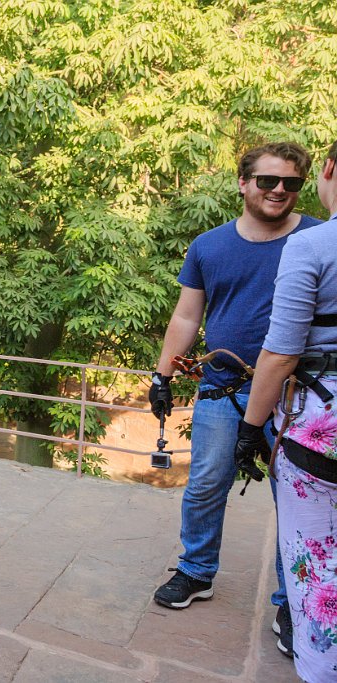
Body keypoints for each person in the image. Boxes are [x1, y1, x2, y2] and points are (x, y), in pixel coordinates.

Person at [148, 143, 319, 649]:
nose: (280, 191)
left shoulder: (318, 240)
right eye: (268, 181)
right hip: (225, 387)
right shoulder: (209, 245)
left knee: (299, 500)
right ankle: (197, 571)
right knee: (204, 484)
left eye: (291, 183)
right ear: (243, 184)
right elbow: (186, 316)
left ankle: (293, 602)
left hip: (299, 395)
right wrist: (162, 376)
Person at [235, 140, 337, 682]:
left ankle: (321, 667)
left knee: (316, 561)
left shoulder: (313, 246)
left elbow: (281, 352)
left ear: (326, 171)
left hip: (322, 426)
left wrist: (251, 430)